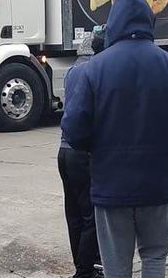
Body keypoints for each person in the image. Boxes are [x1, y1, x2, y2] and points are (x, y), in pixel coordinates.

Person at [62, 0, 168, 278]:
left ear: (114, 23)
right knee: (154, 258)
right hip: (156, 186)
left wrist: (99, 145)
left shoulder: (95, 69)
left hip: (110, 187)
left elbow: (74, 132)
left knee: (116, 267)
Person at [58, 25, 106, 278]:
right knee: (92, 217)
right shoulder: (99, 72)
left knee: (74, 213)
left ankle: (81, 265)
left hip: (64, 152)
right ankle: (86, 270)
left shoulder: (74, 70)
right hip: (83, 153)